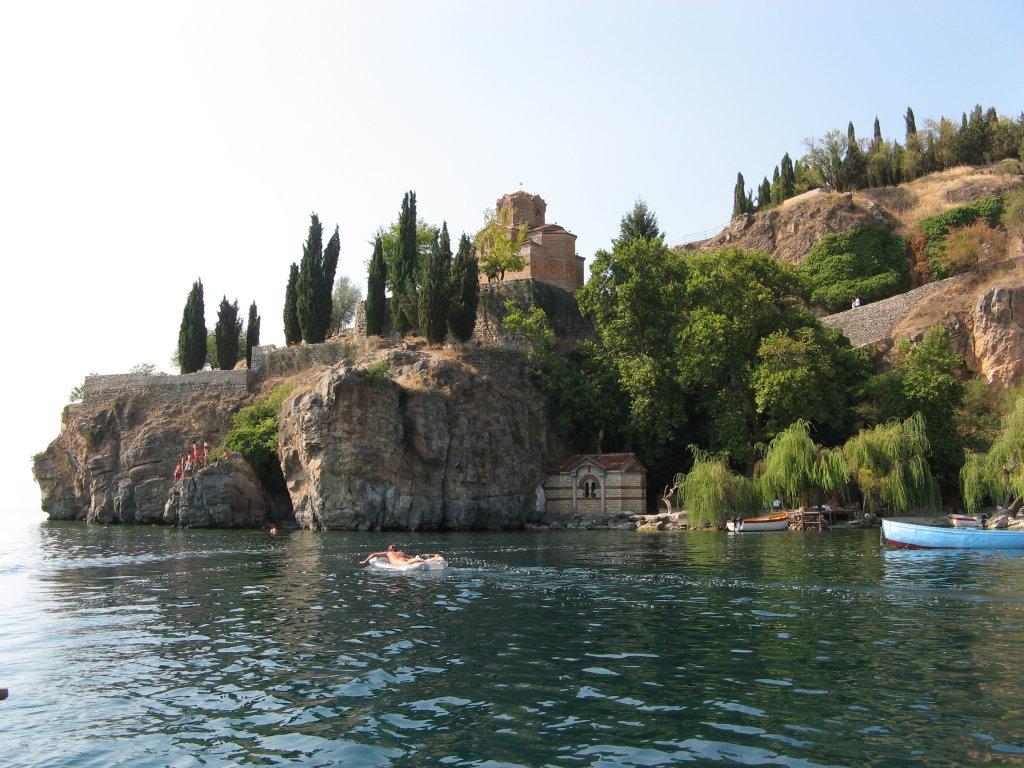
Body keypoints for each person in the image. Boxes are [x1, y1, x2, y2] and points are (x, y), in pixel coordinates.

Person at [360, 544, 444, 566]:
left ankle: (418, 559)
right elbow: (410, 557)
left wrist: (365, 561)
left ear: (390, 549)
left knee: (417, 560)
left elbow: (373, 555)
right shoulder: (400, 552)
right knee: (415, 560)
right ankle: (435, 558)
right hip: (405, 560)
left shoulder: (388, 553)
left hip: (400, 563)